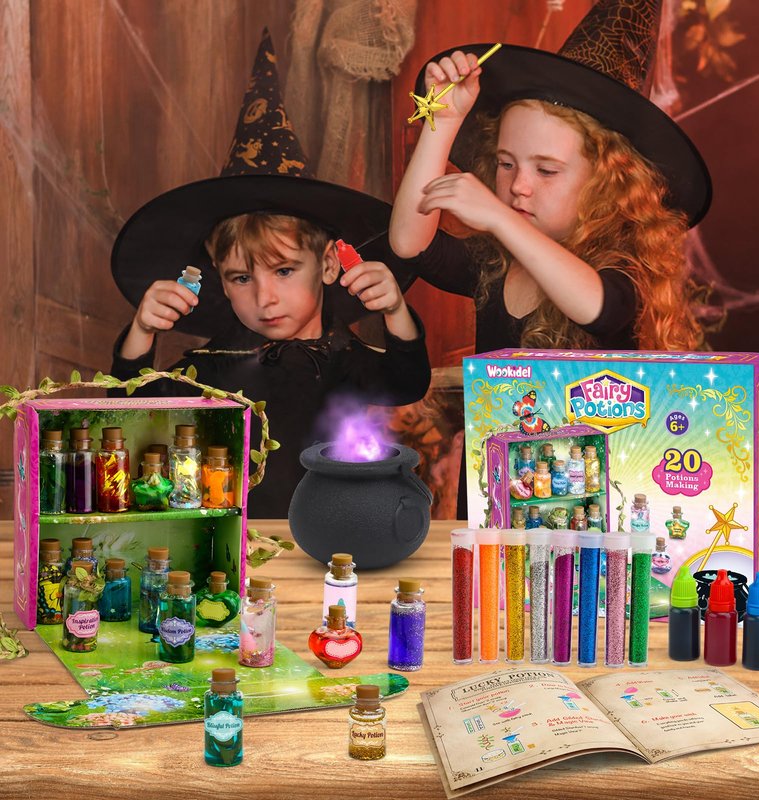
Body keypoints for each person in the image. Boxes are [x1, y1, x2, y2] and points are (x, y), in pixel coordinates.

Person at [110, 27, 429, 518]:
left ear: (327, 264)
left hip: (331, 536)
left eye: (283, 271)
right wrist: (142, 331)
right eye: (242, 278)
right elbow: (132, 404)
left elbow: (407, 382)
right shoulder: (212, 368)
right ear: (220, 280)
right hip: (239, 542)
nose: (265, 297)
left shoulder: (346, 359)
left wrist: (395, 311)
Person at [390, 0, 712, 353]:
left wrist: (498, 217)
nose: (518, 186)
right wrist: (443, 122)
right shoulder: (495, 266)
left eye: (546, 170)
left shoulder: (624, 270)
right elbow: (409, 243)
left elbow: (599, 310)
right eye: (506, 164)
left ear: (608, 184)